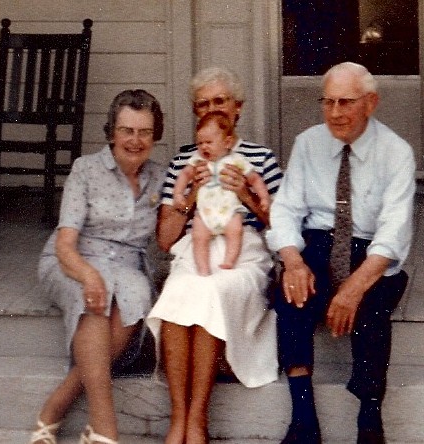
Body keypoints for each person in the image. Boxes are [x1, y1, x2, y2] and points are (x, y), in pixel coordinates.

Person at [266, 62, 415, 444]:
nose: (335, 112)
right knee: (291, 295)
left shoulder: (396, 152)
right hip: (318, 242)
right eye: (328, 102)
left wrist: (352, 288)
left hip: (370, 251)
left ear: (371, 103)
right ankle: (303, 422)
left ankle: (369, 421)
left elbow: (393, 232)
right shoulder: (307, 143)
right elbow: (285, 210)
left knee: (372, 306)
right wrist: (292, 261)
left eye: (345, 102)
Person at [147, 66, 283, 444]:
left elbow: (282, 225)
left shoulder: (260, 158)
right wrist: (191, 196)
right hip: (197, 248)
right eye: (203, 104)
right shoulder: (185, 161)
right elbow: (165, 239)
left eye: (220, 101)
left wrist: (246, 197)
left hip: (243, 252)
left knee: (209, 290)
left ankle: (198, 418)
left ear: (238, 107)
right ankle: (179, 417)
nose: (212, 108)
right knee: (179, 291)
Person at [30, 89, 165, 444]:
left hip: (128, 268)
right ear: (111, 132)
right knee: (95, 297)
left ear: (155, 136)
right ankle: (105, 427)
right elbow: (65, 244)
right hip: (75, 260)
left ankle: (56, 405)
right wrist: (89, 275)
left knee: (135, 295)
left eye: (145, 132)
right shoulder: (85, 170)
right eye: (126, 130)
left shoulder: (160, 177)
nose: (135, 140)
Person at [172, 110, 271, 275]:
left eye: (209, 142)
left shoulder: (236, 160)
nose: (203, 147)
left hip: (229, 212)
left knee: (235, 231)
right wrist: (178, 194)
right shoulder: (198, 160)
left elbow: (254, 179)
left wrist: (264, 198)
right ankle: (203, 268)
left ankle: (229, 260)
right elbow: (184, 174)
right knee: (199, 236)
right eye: (200, 143)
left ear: (227, 142)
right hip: (205, 212)